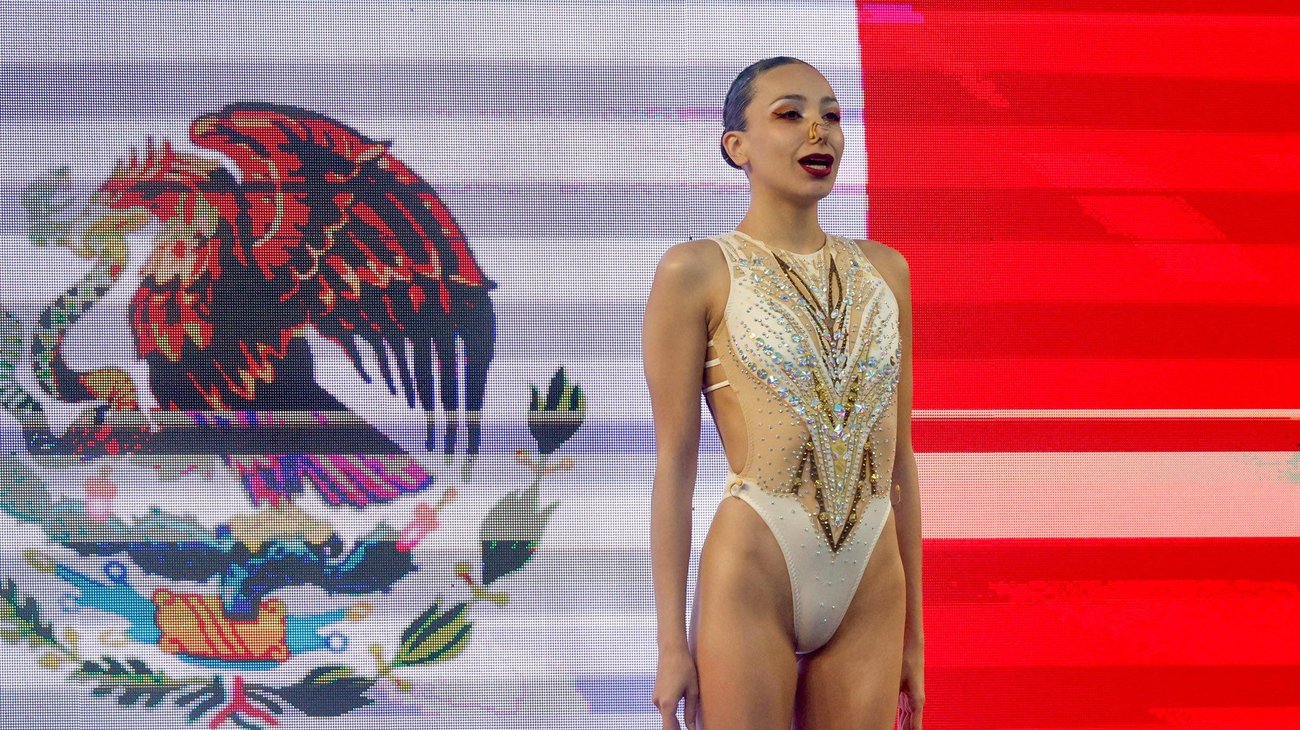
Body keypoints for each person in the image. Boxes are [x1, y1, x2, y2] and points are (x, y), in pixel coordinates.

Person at [644, 57, 924, 729]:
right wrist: (670, 645)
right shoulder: (695, 271)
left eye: (831, 115)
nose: (817, 131)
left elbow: (901, 464)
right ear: (736, 146)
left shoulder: (887, 271)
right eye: (789, 114)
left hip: (872, 580)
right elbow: (675, 463)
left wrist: (915, 638)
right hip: (754, 568)